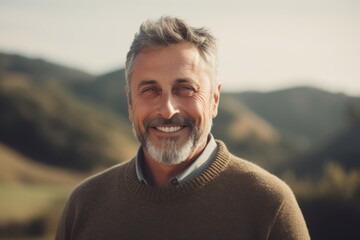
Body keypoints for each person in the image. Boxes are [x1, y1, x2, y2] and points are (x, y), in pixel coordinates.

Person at [56, 16, 310, 239]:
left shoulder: (269, 204)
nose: (167, 109)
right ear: (130, 103)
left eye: (185, 88)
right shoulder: (84, 204)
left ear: (214, 100)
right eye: (150, 90)